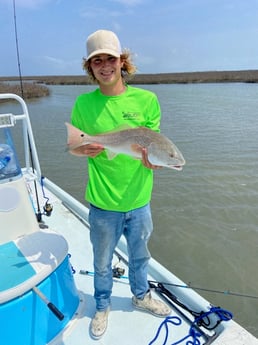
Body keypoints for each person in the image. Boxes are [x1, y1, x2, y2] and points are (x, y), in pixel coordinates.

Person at [70, 29, 171, 340]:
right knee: (101, 261)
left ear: (122, 62)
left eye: (110, 59)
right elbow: (74, 145)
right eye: (96, 61)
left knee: (141, 257)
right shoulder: (84, 104)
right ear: (90, 67)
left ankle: (141, 296)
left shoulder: (147, 100)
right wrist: (81, 149)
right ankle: (102, 305)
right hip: (102, 203)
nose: (104, 66)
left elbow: (153, 143)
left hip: (139, 201)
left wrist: (152, 159)